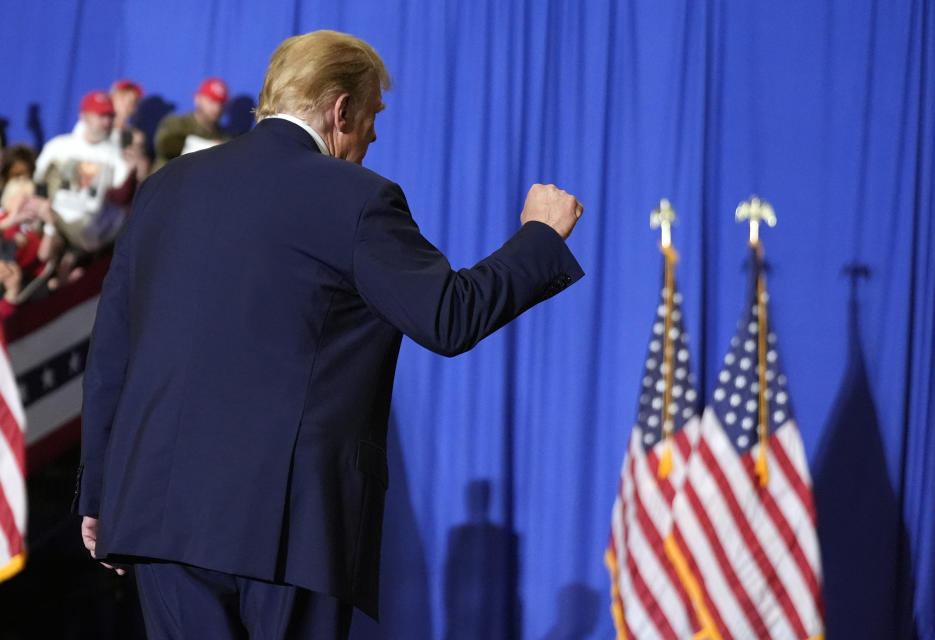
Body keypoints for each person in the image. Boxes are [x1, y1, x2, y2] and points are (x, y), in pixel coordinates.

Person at [75, 30, 584, 639]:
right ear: (341, 108)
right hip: (285, 527)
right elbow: (448, 316)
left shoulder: (166, 187)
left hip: (158, 516)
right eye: (372, 116)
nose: (373, 136)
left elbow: (111, 352)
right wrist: (540, 238)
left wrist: (101, 492)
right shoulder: (357, 198)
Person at [33, 90, 138, 252]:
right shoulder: (60, 146)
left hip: (90, 229)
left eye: (110, 116)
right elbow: (38, 181)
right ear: (84, 116)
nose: (106, 121)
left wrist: (131, 173)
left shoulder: (117, 155)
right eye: (100, 115)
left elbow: (120, 199)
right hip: (54, 217)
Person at [152, 76, 229, 171]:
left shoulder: (223, 137)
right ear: (197, 99)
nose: (216, 108)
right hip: (167, 182)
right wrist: (210, 146)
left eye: (221, 103)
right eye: (211, 101)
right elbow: (166, 146)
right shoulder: (176, 123)